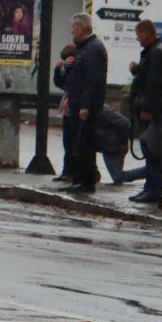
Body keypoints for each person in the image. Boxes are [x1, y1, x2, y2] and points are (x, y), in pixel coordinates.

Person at [56, 13, 107, 193]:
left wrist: (85, 105)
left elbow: (92, 80)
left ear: (85, 28)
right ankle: (79, 179)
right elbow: (76, 78)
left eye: (75, 27)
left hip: (85, 107)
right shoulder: (83, 48)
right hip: (76, 104)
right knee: (78, 144)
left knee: (85, 144)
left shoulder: (92, 49)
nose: (72, 31)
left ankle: (86, 182)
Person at [126, 19, 162, 204]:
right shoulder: (154, 52)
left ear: (147, 33)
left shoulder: (156, 53)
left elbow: (155, 84)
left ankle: (154, 190)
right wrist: (138, 71)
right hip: (151, 107)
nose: (138, 39)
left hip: (154, 110)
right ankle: (150, 188)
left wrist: (147, 108)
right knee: (149, 149)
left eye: (139, 35)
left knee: (153, 151)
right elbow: (149, 78)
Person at [50, 42, 78, 183]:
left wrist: (67, 68)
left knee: (72, 142)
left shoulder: (76, 67)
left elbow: (69, 82)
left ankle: (71, 172)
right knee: (67, 142)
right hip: (67, 108)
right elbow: (61, 83)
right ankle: (67, 171)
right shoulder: (68, 67)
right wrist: (59, 69)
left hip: (73, 108)